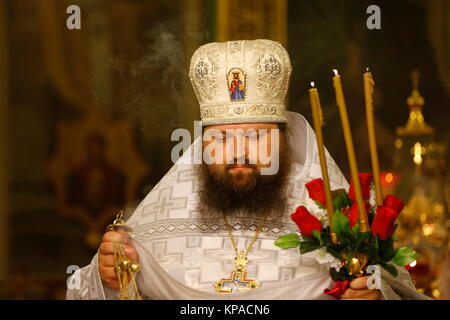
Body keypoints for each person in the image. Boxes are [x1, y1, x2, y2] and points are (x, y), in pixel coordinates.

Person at [67, 39, 427, 300]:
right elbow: (97, 291)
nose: (238, 152)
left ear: (283, 141)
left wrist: (372, 296)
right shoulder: (162, 218)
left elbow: (399, 290)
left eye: (256, 137)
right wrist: (110, 280)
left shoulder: (336, 216)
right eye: (221, 138)